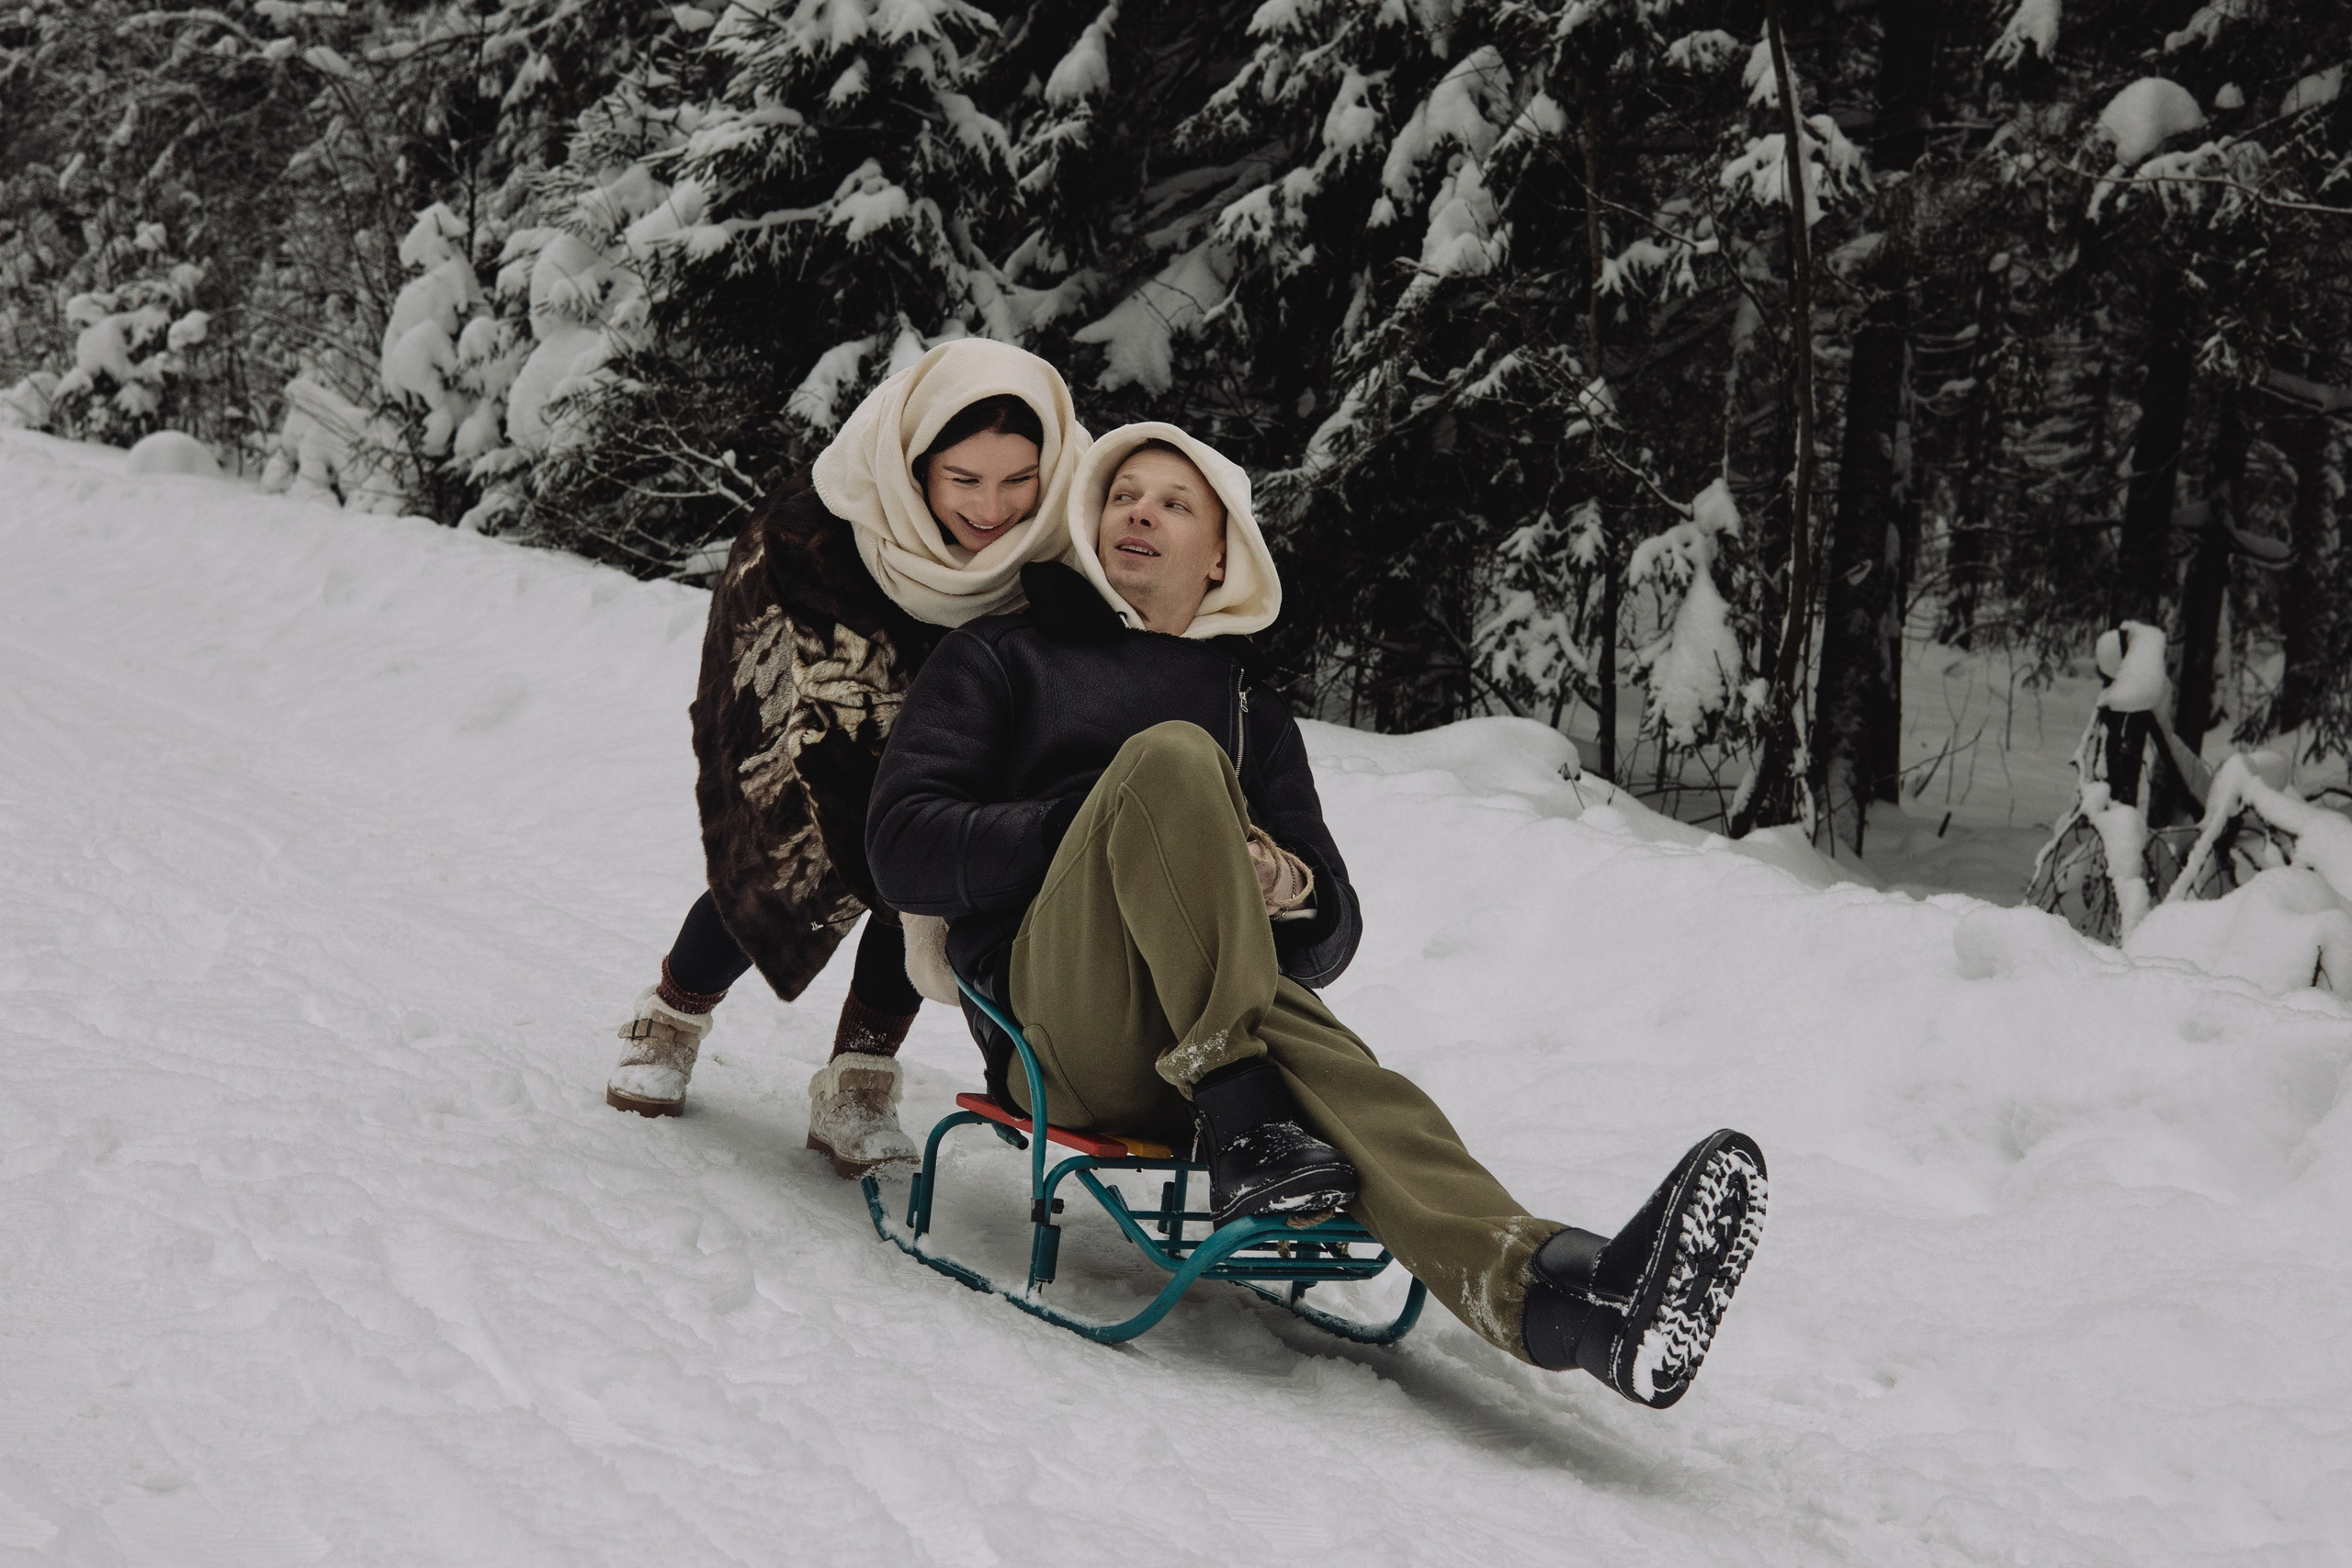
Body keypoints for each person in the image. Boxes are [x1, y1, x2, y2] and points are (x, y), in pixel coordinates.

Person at [865, 423, 1767, 1406]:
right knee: (1168, 762)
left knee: (1364, 1088)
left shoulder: (1249, 707)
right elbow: (900, 846)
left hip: (1218, 1046)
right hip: (1063, 1027)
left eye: (1175, 504)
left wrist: (1283, 883)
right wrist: (1099, 825)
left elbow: (1330, 936)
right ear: (1088, 520)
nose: (1140, 512)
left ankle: (1573, 1301)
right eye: (1123, 493)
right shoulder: (1001, 657)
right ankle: (1241, 1106)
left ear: (1220, 555)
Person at [605, 339, 1089, 1181]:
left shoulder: (1061, 534)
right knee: (782, 864)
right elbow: (771, 662)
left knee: (926, 885)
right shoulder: (822, 524)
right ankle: (672, 1012)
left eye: (1019, 480)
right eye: (965, 479)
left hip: (959, 727)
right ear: (916, 464)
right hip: (817, 706)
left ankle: (859, 1082)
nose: (994, 507)